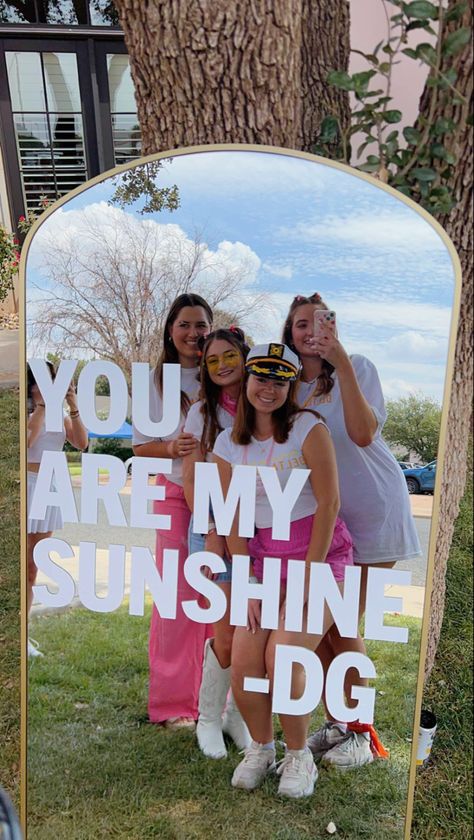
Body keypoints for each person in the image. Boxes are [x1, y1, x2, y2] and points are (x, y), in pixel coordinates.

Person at [282, 293, 421, 769]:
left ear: (335, 328)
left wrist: (339, 360)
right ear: (289, 331)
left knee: (341, 624)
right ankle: (339, 723)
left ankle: (360, 732)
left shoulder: (357, 366)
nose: (309, 331)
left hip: (374, 511)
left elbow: (363, 434)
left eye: (319, 323)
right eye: (301, 324)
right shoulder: (287, 385)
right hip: (325, 521)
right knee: (321, 634)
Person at [213, 343, 354, 798]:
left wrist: (311, 576)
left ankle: (299, 756)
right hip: (263, 562)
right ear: (247, 379)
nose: (268, 387)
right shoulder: (226, 443)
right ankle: (262, 748)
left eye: (279, 379)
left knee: (286, 654)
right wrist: (247, 583)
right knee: (246, 657)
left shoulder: (308, 428)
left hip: (319, 557)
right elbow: (231, 516)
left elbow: (329, 502)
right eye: (261, 377)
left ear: (290, 385)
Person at [132, 293, 212, 730]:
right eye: (185, 324)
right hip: (177, 495)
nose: (193, 333)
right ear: (170, 329)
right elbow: (140, 448)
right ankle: (174, 706)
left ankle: (214, 703)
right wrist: (169, 447)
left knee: (218, 599)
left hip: (225, 499)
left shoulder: (225, 372)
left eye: (201, 325)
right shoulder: (155, 382)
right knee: (176, 600)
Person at [182, 326, 251, 758]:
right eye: (212, 360)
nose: (222, 365)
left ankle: (237, 718)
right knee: (225, 634)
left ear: (245, 356)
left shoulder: (267, 404)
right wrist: (213, 531)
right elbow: (193, 480)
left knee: (251, 634)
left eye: (229, 356)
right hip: (213, 532)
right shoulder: (202, 413)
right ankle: (208, 719)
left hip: (259, 535)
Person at [27, 361, 88, 657]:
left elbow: (81, 443)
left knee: (33, 565)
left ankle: (23, 634)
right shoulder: (26, 410)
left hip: (50, 486)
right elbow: (27, 440)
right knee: (20, 562)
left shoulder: (60, 413)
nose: (48, 386)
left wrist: (72, 405)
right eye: (41, 381)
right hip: (27, 483)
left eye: (52, 380)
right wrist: (40, 406)